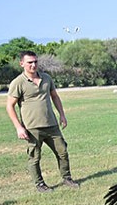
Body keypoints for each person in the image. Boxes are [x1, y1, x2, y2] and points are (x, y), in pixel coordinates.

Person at [6, 50, 79, 193]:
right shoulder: (18, 83)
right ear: (22, 64)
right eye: (29, 62)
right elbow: (10, 106)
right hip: (32, 128)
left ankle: (67, 178)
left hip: (51, 124)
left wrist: (62, 115)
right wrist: (19, 127)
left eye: (35, 62)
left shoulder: (46, 78)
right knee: (34, 157)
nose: (33, 65)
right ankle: (40, 184)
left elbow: (55, 97)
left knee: (62, 152)